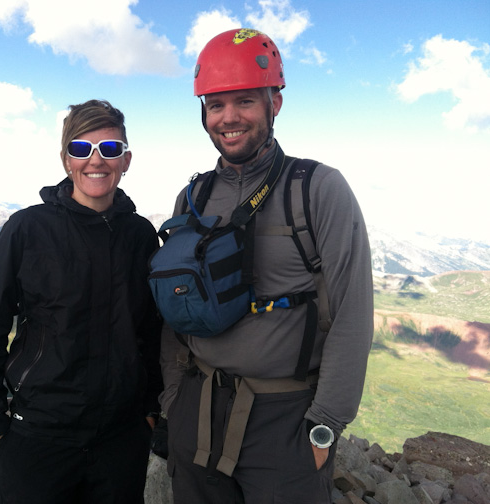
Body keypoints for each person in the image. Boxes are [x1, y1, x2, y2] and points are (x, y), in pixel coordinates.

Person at [159, 28, 374, 503]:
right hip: (196, 411)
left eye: (244, 102)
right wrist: (173, 399)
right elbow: (173, 314)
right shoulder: (193, 197)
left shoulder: (318, 188)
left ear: (275, 103)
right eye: (215, 104)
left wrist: (324, 428)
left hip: (286, 421)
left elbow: (353, 314)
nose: (229, 117)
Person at [0, 99, 163, 504]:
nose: (96, 160)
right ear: (65, 159)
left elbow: (152, 332)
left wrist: (148, 412)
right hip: (37, 435)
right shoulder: (28, 229)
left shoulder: (141, 235)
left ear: (126, 160)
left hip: (121, 439)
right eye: (81, 149)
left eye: (109, 150)